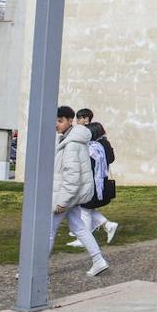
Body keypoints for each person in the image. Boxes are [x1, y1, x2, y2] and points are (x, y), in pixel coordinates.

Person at [47, 106, 108, 276]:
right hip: (68, 195)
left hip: (64, 195)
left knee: (48, 232)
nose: (56, 124)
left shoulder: (72, 143)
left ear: (69, 120)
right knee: (79, 227)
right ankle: (98, 260)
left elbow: (72, 175)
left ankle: (34, 269)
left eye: (60, 121)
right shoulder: (69, 140)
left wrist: (63, 201)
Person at [69, 121, 120, 247]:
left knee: (85, 209)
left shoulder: (93, 147)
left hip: (92, 182)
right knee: (86, 208)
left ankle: (84, 239)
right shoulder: (105, 144)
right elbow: (111, 159)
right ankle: (108, 225)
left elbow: (87, 165)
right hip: (100, 182)